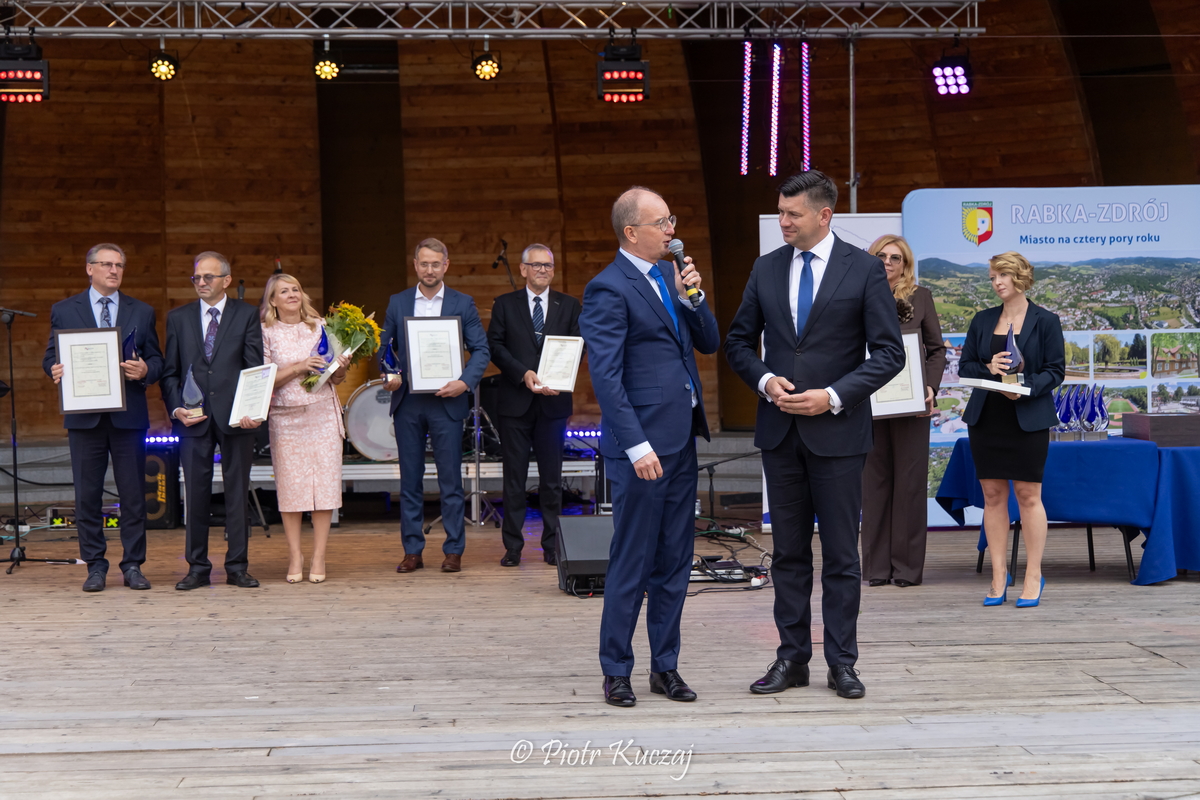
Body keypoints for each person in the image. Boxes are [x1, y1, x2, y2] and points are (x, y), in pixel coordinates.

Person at [724, 170, 904, 700]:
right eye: (781, 212)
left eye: (792, 214)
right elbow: (738, 343)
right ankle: (791, 659)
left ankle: (842, 663)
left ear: (824, 215)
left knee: (843, 557)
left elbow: (889, 354)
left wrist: (833, 395)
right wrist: (764, 380)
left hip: (840, 435)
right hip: (779, 433)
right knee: (788, 555)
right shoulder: (766, 267)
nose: (782, 222)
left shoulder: (864, 269)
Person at [579, 187, 719, 707]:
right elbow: (607, 377)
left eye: (671, 220)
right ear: (631, 232)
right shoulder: (607, 288)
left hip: (681, 439)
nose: (671, 230)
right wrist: (636, 445)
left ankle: (666, 666)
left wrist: (693, 298)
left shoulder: (668, 276)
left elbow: (708, 343)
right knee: (632, 559)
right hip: (642, 449)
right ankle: (616, 669)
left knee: (675, 559)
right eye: (661, 223)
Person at [42, 243, 163, 592]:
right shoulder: (64, 310)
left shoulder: (142, 311)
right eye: (107, 264)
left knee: (134, 496)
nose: (114, 270)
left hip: (129, 417)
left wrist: (145, 370)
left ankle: (133, 565)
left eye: (119, 265)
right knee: (87, 496)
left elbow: (157, 360)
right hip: (84, 418)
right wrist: (53, 368)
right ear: (89, 268)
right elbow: (50, 356)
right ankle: (95, 566)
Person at [959, 251, 1064, 608]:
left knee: (1028, 495)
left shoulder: (1046, 321)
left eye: (1002, 275)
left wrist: (1025, 389)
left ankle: (1033, 575)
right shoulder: (982, 319)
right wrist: (989, 367)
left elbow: (1055, 371)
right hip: (987, 418)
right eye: (992, 277)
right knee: (992, 496)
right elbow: (966, 366)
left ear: (1020, 277)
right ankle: (998, 575)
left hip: (1028, 417)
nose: (997, 283)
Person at [381, 238, 490, 574]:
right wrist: (390, 374)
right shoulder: (398, 302)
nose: (429, 270)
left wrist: (464, 382)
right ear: (415, 265)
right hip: (409, 402)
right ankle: (412, 550)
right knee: (409, 481)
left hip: (448, 401)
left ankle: (454, 550)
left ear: (446, 265)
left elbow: (481, 349)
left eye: (435, 264)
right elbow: (385, 349)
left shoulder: (462, 303)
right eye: (424, 263)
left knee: (451, 481)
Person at [161, 251, 265, 590]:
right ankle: (197, 568)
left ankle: (237, 567)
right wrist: (176, 409)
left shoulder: (246, 315)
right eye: (197, 277)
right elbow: (170, 372)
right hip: (192, 420)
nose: (201, 282)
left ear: (226, 280)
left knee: (237, 494)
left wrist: (252, 410)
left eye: (208, 277)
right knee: (195, 495)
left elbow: (254, 368)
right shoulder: (178, 318)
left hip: (236, 418)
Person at [487, 244, 582, 567]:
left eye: (548, 265)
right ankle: (513, 547)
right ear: (523, 269)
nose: (543, 270)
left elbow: (578, 346)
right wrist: (522, 373)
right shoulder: (505, 304)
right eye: (537, 265)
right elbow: (495, 346)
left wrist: (561, 376)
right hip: (515, 403)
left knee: (552, 480)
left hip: (553, 404)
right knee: (514, 479)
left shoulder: (569, 305)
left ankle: (552, 546)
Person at [860, 234, 946, 588]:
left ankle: (907, 569)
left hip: (912, 406)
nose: (887, 262)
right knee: (874, 484)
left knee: (910, 485)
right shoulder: (855, 294)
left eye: (896, 258)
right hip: (868, 403)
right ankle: (877, 568)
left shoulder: (920, 297)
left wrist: (930, 387)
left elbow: (936, 349)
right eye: (881, 256)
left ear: (906, 264)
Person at [260, 273, 349, 584]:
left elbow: (336, 378)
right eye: (284, 291)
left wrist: (341, 369)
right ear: (273, 300)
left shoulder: (321, 326)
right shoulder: (265, 333)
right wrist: (299, 367)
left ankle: (319, 555)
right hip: (285, 418)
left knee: (324, 486)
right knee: (291, 488)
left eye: (296, 289)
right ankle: (295, 555)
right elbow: (263, 378)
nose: (292, 294)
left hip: (322, 413)